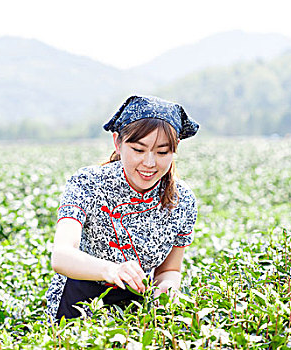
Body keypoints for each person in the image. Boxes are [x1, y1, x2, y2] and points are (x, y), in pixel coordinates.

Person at [46, 95, 200, 321]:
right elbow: (62, 256)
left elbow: (169, 270)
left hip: (136, 308)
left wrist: (167, 289)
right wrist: (112, 270)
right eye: (138, 149)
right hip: (77, 302)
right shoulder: (88, 182)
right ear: (117, 142)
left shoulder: (183, 200)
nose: (149, 163)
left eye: (162, 152)